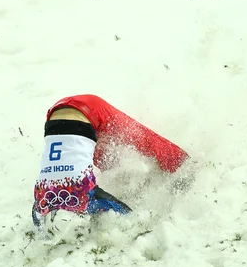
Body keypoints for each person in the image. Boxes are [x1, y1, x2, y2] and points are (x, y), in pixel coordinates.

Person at [32, 94, 189, 227]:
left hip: (89, 110)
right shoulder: (40, 201)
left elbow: (127, 216)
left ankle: (185, 165)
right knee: (114, 156)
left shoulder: (82, 194)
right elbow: (38, 224)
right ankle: (179, 165)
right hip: (57, 115)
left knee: (142, 140)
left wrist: (132, 219)